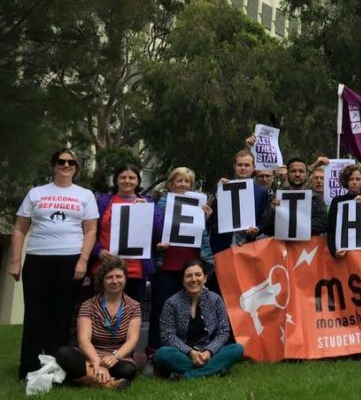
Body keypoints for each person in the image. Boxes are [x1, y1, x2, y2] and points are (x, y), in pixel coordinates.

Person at [9, 148, 99, 380]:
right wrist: (16, 261)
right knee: (34, 315)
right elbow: (20, 229)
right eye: (61, 161)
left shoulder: (85, 195)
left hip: (70, 259)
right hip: (38, 258)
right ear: (54, 165)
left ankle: (56, 369)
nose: (66, 165)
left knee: (61, 316)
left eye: (71, 162)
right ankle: (28, 368)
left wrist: (83, 261)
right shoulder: (36, 193)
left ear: (77, 168)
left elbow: (90, 231)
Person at [150, 167, 213, 352]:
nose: (183, 185)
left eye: (187, 182)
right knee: (161, 309)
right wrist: (157, 244)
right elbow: (150, 232)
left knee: (188, 310)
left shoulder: (198, 206)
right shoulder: (160, 204)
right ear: (171, 184)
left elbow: (203, 236)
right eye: (179, 181)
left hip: (191, 265)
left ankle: (185, 349)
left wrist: (206, 218)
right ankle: (155, 350)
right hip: (167, 264)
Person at [54, 257, 141, 390]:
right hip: (89, 356)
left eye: (119, 276)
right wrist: (96, 362)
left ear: (125, 278)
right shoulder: (88, 305)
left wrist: (115, 357)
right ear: (102, 281)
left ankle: (85, 379)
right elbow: (83, 340)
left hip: (117, 358)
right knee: (63, 353)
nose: (115, 281)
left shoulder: (134, 306)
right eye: (109, 277)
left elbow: (132, 339)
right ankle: (108, 384)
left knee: (128, 370)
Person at [155, 260, 244, 379]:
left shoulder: (215, 300)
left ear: (205, 278)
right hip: (184, 354)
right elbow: (167, 336)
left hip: (209, 353)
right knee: (162, 353)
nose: (193, 279)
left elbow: (223, 332)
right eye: (188, 276)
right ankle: (214, 370)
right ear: (183, 280)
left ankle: (189, 375)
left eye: (198, 275)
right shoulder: (172, 303)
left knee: (237, 349)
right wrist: (190, 353)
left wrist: (209, 351)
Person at [90, 164, 158, 304]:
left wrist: (146, 210)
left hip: (135, 270)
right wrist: (98, 251)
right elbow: (90, 231)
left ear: (138, 181)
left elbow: (158, 233)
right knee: (102, 315)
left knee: (131, 316)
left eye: (132, 177)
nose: (127, 181)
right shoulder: (103, 202)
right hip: (105, 268)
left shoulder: (148, 202)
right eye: (123, 177)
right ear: (116, 180)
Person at [209, 149, 269, 254]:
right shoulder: (221, 186)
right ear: (234, 166)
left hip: (247, 246)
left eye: (247, 165)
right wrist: (216, 194)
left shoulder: (261, 192)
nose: (243, 168)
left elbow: (263, 221)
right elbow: (210, 217)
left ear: (254, 168)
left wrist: (256, 230)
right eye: (240, 165)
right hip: (221, 245)